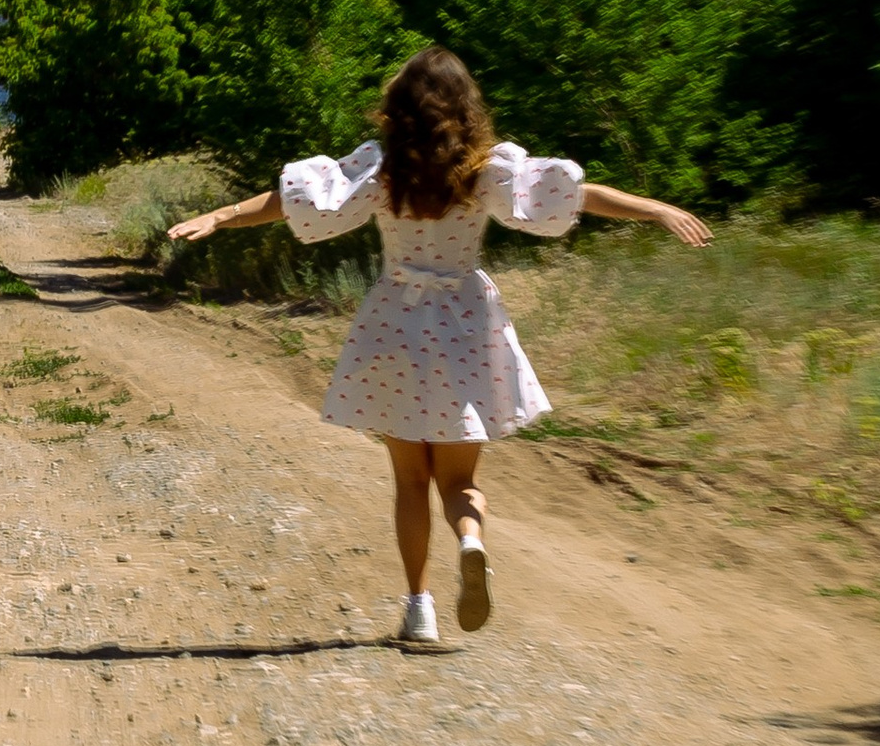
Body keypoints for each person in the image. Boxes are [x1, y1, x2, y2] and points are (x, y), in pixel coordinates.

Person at [167, 45, 708, 648]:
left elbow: (295, 202)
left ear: (398, 107)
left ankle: (418, 605)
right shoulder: (486, 169)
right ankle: (471, 541)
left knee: (408, 480)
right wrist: (656, 209)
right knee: (457, 481)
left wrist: (219, 215)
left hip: (396, 325)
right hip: (467, 330)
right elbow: (575, 195)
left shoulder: (382, 170)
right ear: (465, 106)